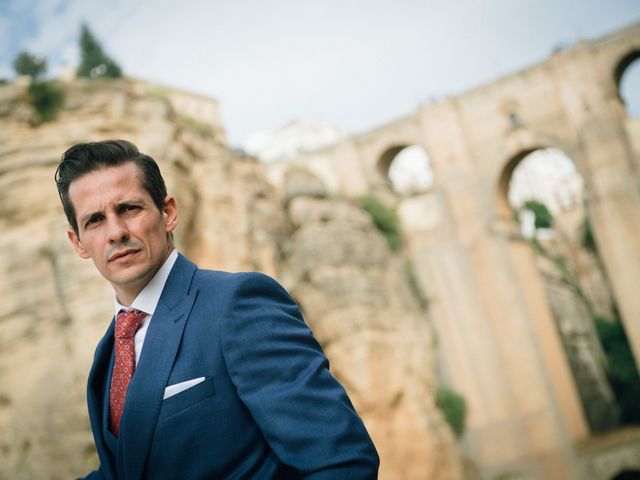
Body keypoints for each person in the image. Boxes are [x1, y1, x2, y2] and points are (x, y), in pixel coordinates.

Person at [55, 139, 379, 479]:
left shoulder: (237, 304)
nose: (116, 232)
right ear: (78, 242)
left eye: (129, 209)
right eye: (95, 220)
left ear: (168, 213)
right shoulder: (110, 350)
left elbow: (341, 461)